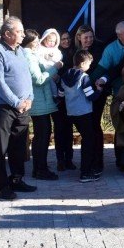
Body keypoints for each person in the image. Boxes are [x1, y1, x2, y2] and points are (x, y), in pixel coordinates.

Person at [0, 16, 35, 200]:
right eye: (19, 31)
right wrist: (16, 102)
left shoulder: (21, 51)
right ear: (7, 34)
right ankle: (1, 186)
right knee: (0, 148)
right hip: (4, 108)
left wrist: (29, 98)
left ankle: (17, 179)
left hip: (24, 107)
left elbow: (27, 77)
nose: (23, 35)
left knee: (19, 146)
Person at [91, 21, 124, 172]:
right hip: (120, 92)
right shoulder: (110, 50)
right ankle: (122, 161)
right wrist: (87, 81)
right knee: (122, 126)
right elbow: (101, 70)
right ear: (118, 35)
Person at [22, 29, 61, 181]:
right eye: (36, 42)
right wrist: (54, 68)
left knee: (41, 135)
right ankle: (40, 169)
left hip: (41, 101)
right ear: (30, 43)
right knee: (42, 136)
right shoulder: (28, 56)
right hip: (39, 102)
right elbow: (38, 79)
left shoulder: (30, 55)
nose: (39, 44)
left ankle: (39, 167)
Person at [59, 50, 104, 182]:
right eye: (89, 64)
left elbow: (60, 94)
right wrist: (99, 90)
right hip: (84, 113)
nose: (89, 67)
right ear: (83, 63)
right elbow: (91, 96)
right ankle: (86, 172)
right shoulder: (84, 77)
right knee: (89, 141)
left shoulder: (65, 75)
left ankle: (84, 169)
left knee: (85, 139)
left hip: (71, 113)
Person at [54, 30, 76, 171]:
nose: (66, 41)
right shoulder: (55, 55)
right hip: (58, 98)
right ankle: (60, 160)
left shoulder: (74, 54)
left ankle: (69, 159)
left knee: (68, 129)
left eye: (68, 38)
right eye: (63, 39)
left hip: (71, 98)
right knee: (59, 129)